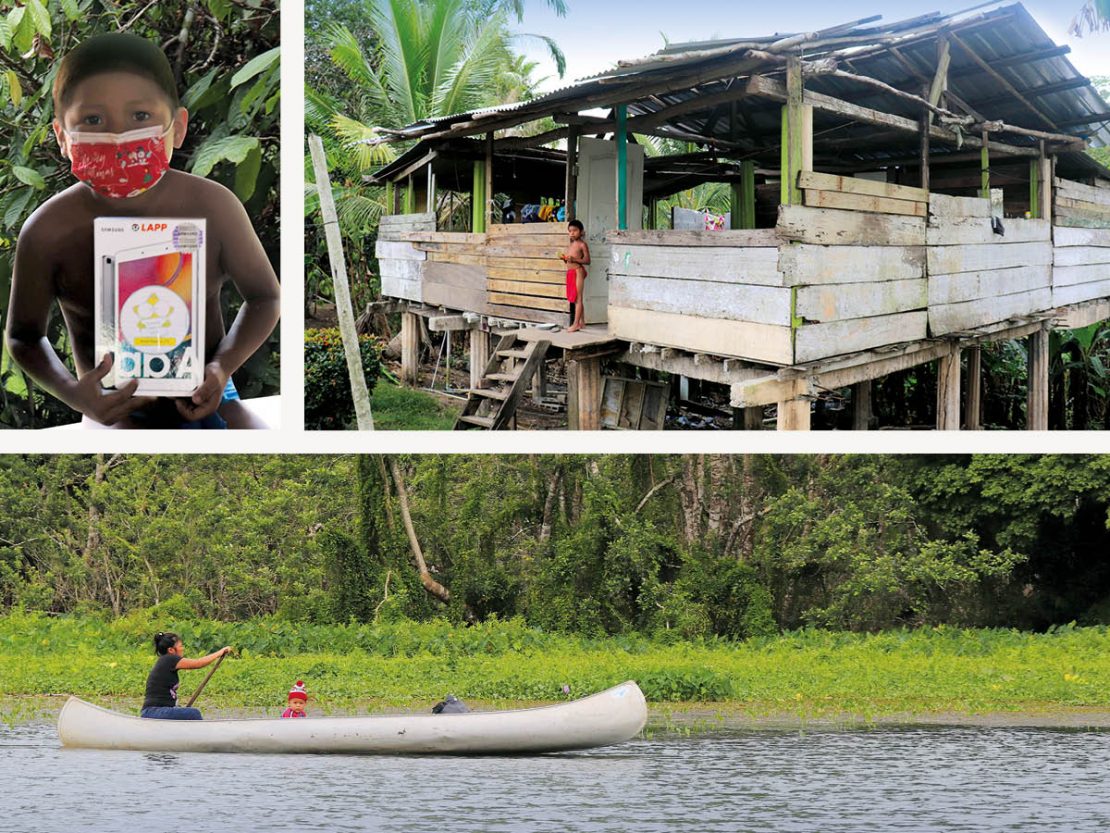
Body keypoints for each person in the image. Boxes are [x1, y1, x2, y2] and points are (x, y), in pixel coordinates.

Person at [4, 32, 280, 429]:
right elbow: (23, 338)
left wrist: (220, 369)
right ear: (63, 136)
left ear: (178, 127)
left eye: (140, 117)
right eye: (93, 120)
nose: (118, 138)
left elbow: (266, 297)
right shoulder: (47, 232)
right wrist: (76, 394)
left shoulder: (214, 208)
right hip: (113, 407)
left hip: (212, 392)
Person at [141, 631, 232, 720]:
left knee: (183, 710)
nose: (183, 648)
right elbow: (198, 663)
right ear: (171, 650)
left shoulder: (165, 660)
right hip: (153, 712)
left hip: (157, 711)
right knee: (193, 713)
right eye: (180, 646)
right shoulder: (169, 659)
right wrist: (220, 652)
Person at [559, 219, 590, 333]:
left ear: (581, 231)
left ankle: (576, 324)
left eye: (575, 230)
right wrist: (565, 260)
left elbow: (587, 260)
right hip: (571, 272)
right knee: (576, 298)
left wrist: (574, 259)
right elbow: (570, 260)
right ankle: (582, 321)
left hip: (578, 271)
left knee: (578, 299)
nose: (572, 233)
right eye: (570, 231)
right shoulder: (571, 244)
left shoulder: (582, 245)